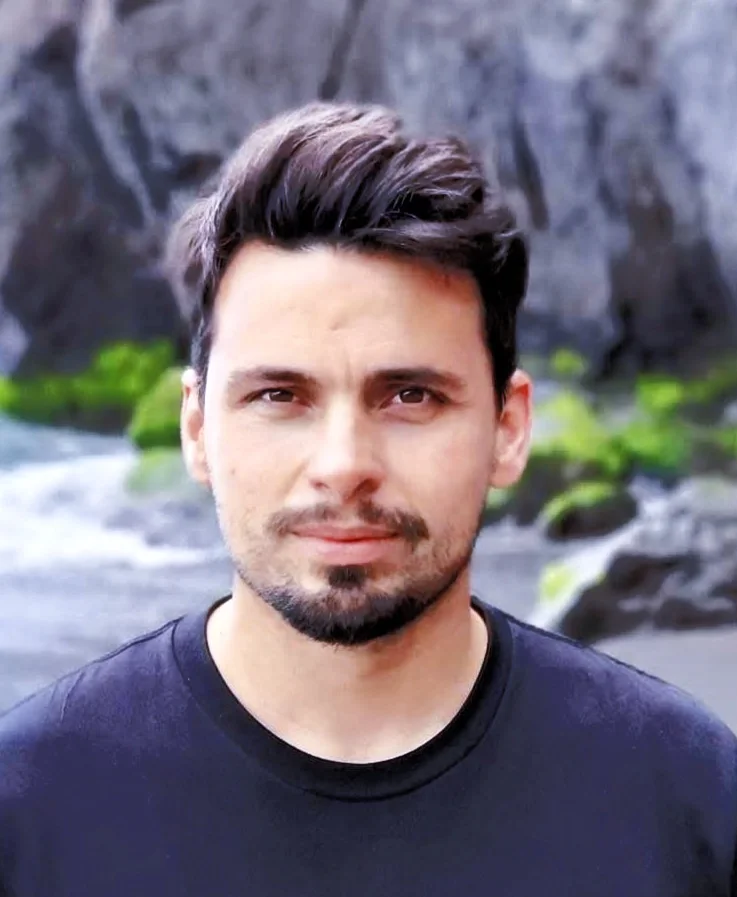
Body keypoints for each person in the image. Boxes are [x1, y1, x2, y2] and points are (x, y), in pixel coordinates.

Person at [0, 101, 735, 897]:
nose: (343, 464)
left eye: (410, 395)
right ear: (197, 427)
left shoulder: (684, 800)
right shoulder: (32, 808)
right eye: (280, 395)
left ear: (508, 428)